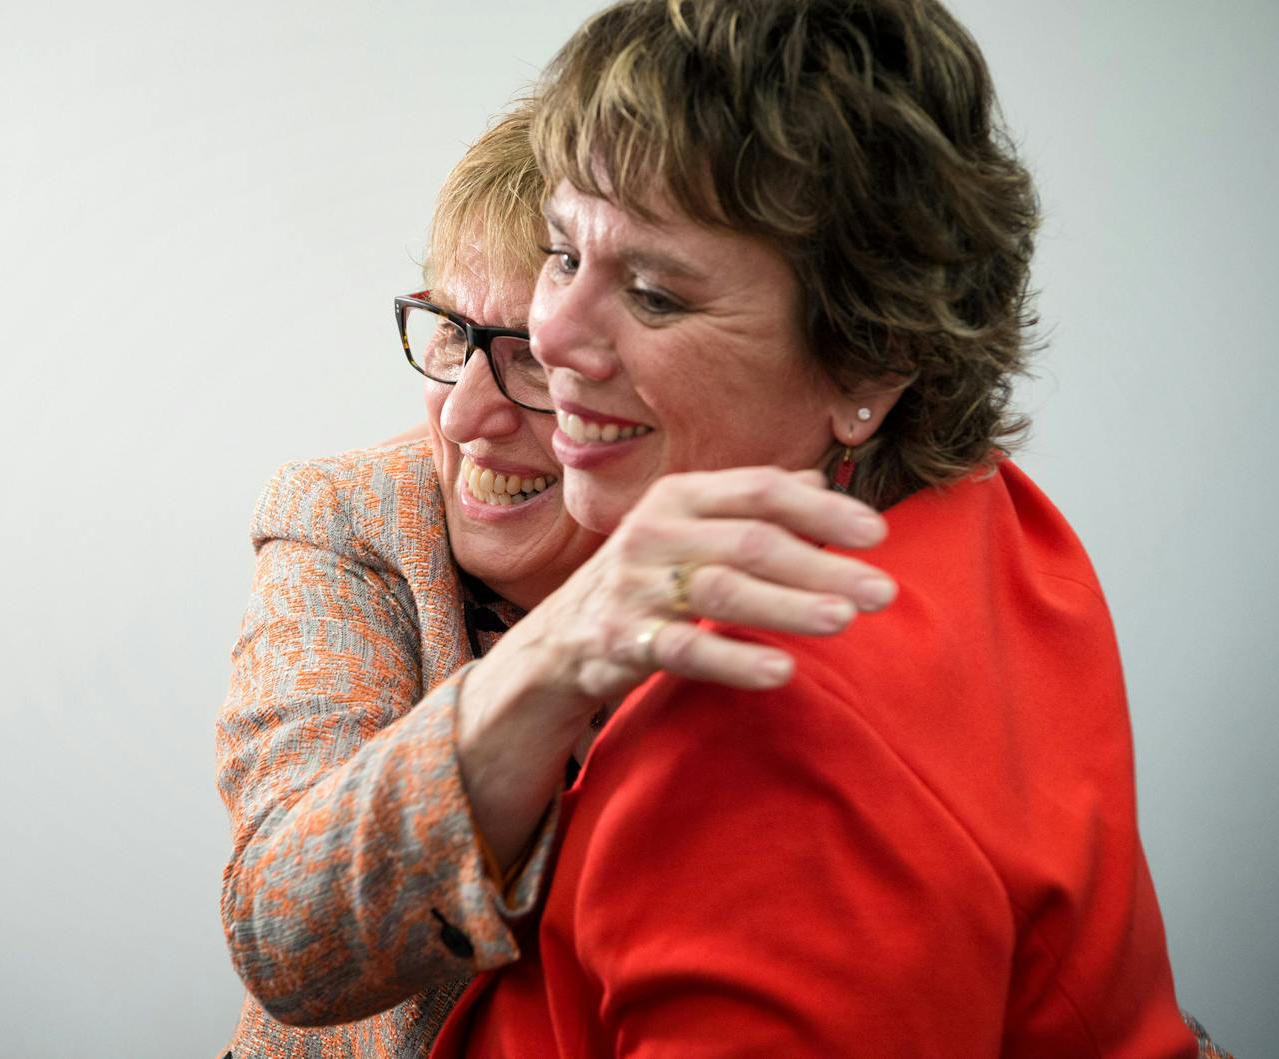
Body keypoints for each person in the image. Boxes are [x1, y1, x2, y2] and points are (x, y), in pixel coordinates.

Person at [427, 1, 1202, 1055]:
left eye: (653, 295)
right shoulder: (988, 514)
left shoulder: (760, 743)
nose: (550, 330)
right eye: (562, 252)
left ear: (866, 363)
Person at [215, 105, 897, 1058]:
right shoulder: (352, 518)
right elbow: (286, 932)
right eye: (449, 334)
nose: (464, 418)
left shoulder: (801, 542)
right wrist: (558, 652)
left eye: (532, 355)